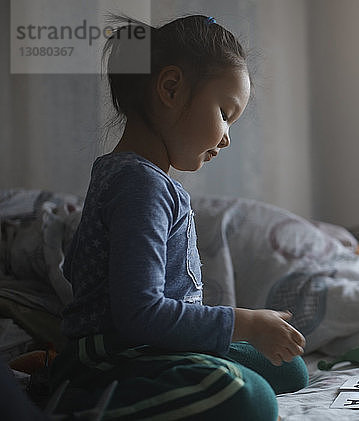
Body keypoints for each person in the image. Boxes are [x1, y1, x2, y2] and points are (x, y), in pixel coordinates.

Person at [49, 15, 308, 420]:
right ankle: (70, 397)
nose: (226, 137)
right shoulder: (139, 185)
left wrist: (250, 331)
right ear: (170, 89)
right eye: (225, 112)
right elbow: (140, 315)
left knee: (286, 366)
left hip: (152, 348)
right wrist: (244, 323)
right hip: (117, 357)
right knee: (251, 398)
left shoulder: (138, 178)